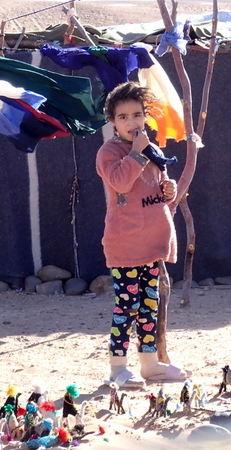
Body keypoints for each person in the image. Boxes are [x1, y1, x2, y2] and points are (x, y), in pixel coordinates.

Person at [96, 81, 191, 388]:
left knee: (150, 303)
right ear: (112, 121)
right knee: (127, 305)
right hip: (125, 244)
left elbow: (158, 187)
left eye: (137, 115)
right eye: (123, 117)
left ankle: (150, 364)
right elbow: (122, 183)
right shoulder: (108, 152)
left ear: (145, 117)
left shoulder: (154, 151)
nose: (131, 122)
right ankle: (117, 368)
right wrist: (136, 153)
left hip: (152, 242)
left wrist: (169, 189)